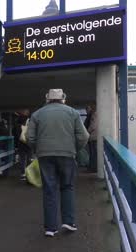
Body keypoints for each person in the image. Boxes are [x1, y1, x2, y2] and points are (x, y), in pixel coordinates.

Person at [26, 89, 89, 237]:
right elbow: (84, 136)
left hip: (45, 156)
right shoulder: (73, 113)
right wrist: (75, 148)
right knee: (67, 186)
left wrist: (38, 150)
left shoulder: (37, 114)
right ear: (63, 99)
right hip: (67, 155)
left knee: (49, 189)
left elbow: (30, 138)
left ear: (47, 99)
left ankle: (50, 228)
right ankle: (69, 221)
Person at [14, 109, 32, 181]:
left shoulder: (17, 121)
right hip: (28, 142)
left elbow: (15, 131)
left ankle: (22, 174)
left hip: (21, 142)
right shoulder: (30, 121)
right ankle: (29, 174)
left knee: (22, 159)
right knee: (29, 159)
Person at [87, 107, 98, 173]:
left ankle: (93, 168)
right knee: (94, 153)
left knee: (93, 154)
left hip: (93, 137)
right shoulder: (100, 114)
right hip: (96, 137)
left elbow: (93, 126)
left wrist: (87, 131)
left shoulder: (94, 115)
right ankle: (94, 168)